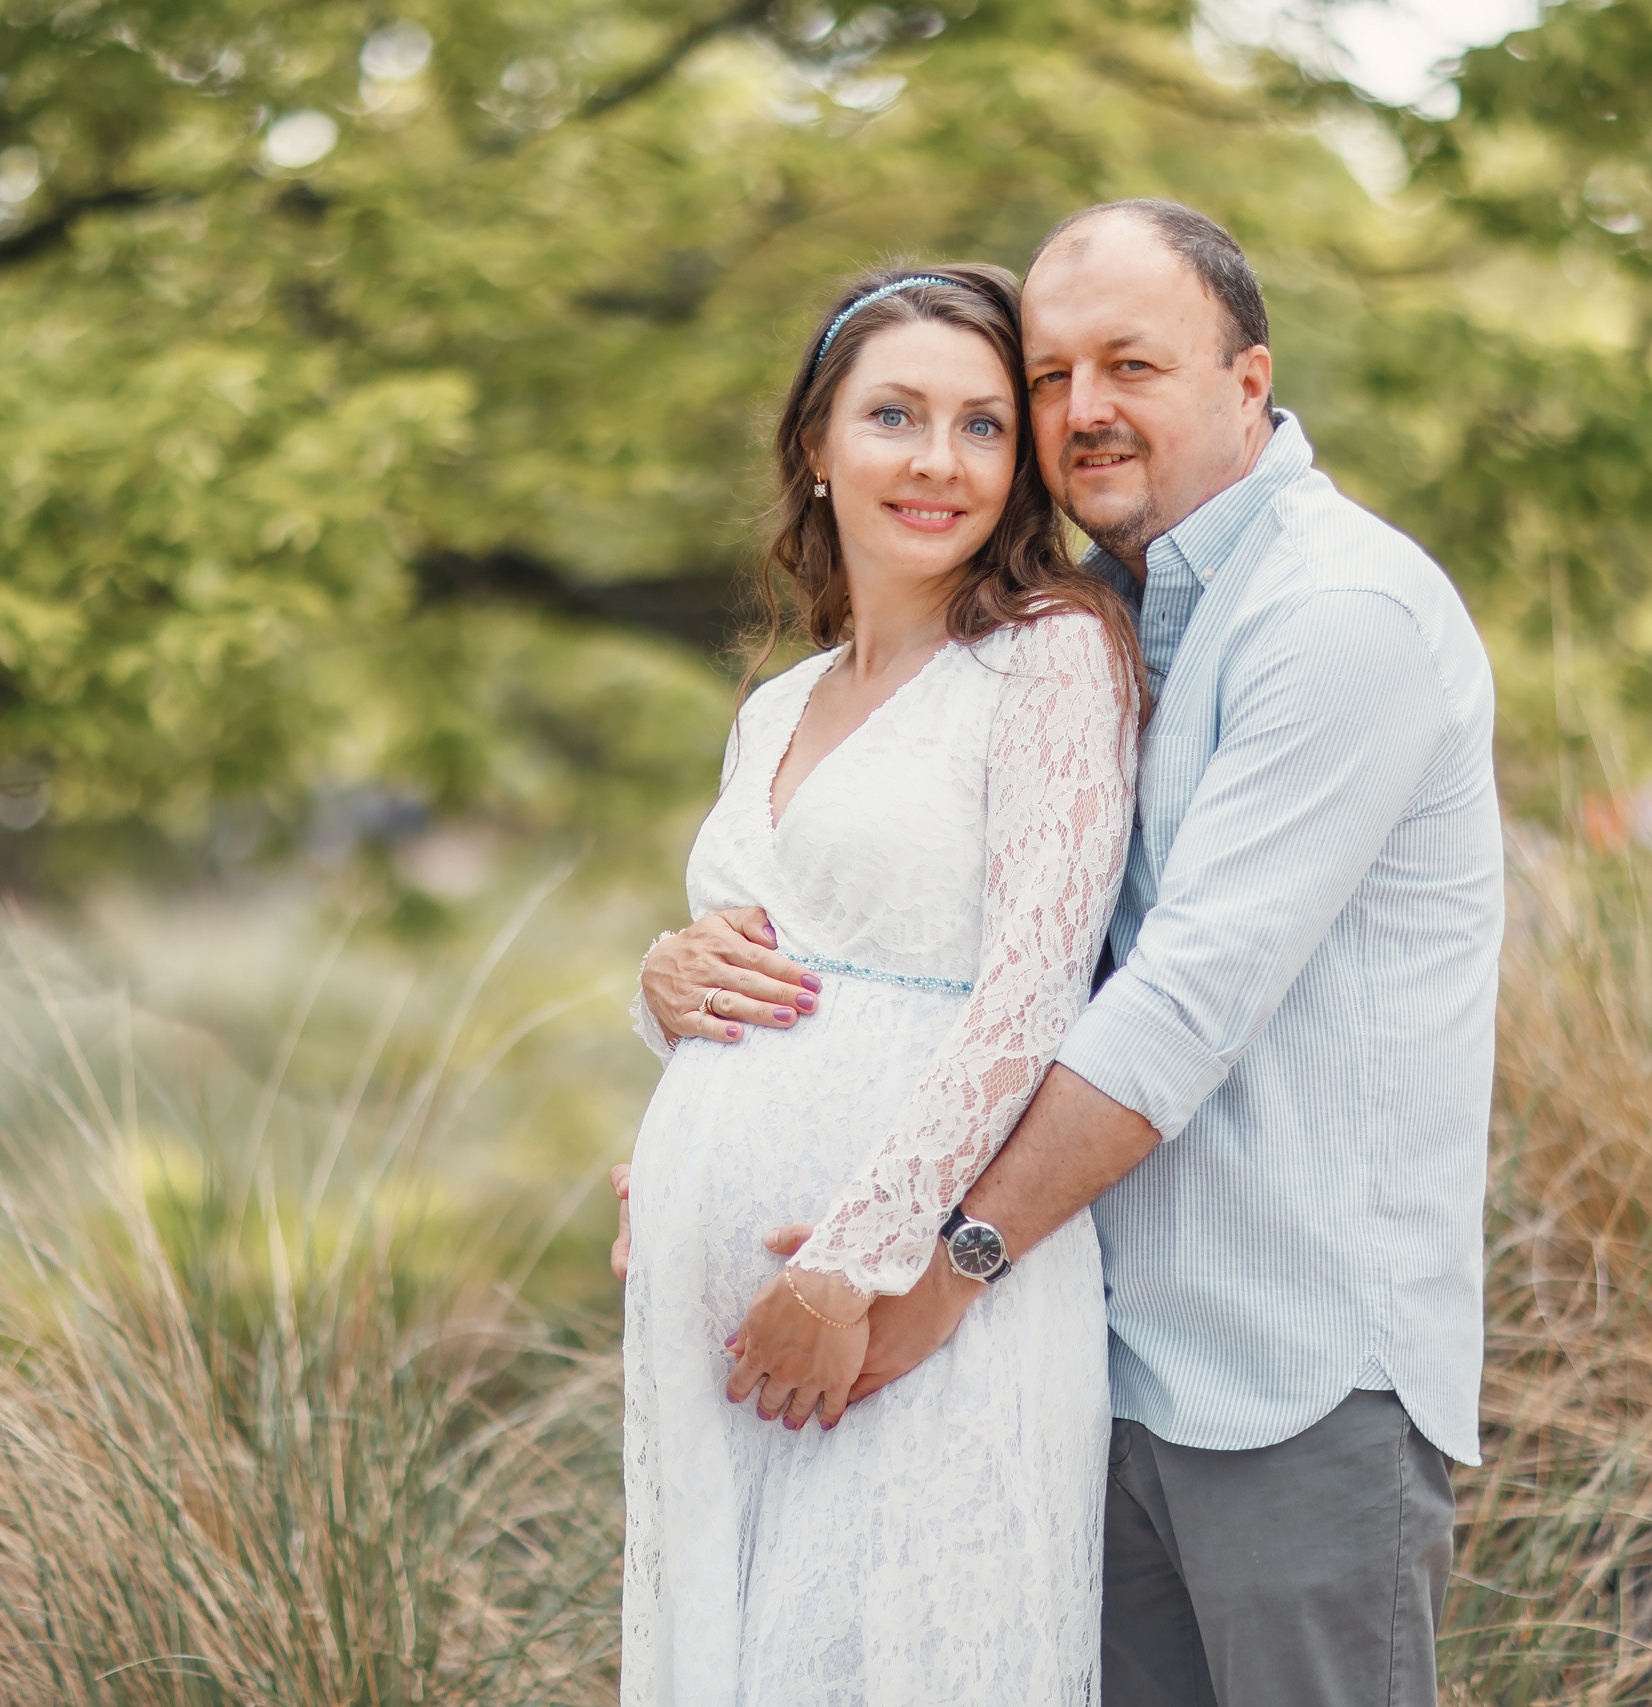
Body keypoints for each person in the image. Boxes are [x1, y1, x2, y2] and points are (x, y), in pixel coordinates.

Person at [629, 201, 1503, 1707]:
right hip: (1108, 1352)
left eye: (1131, 365)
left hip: (1288, 1368)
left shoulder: (1332, 612)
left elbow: (1169, 1004)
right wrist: (684, 1003)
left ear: (1248, 381)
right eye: (1051, 374)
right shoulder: (1121, 606)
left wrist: (939, 1263)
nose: (1081, 411)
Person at [615, 260, 1145, 1705]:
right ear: (814, 442)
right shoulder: (778, 702)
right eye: (894, 414)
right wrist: (660, 1023)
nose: (936, 461)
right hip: (716, 1328)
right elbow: (753, 964)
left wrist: (852, 1263)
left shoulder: (1049, 661)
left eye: (982, 426)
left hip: (902, 1309)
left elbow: (1034, 997)